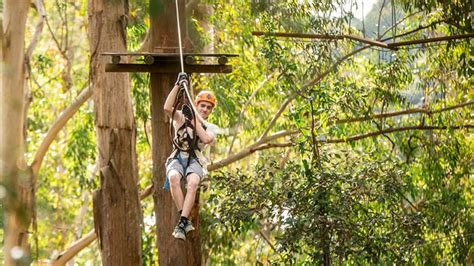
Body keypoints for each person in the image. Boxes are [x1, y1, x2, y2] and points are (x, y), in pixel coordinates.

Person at [163, 72, 217, 240]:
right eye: (202, 106)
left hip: (195, 160)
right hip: (178, 156)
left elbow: (207, 139)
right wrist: (178, 85)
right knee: (173, 178)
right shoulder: (181, 116)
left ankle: (183, 221)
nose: (205, 110)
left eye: (208, 108)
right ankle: (184, 219)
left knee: (193, 183)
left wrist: (193, 120)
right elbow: (166, 108)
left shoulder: (210, 127)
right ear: (196, 104)